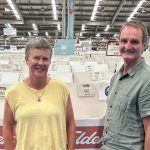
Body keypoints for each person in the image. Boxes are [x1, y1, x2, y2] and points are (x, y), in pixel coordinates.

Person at [3, 38, 76, 150]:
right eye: (36, 58)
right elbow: (7, 127)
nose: (41, 63)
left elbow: (70, 123)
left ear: (50, 61)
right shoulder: (13, 93)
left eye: (45, 59)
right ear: (27, 60)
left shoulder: (62, 89)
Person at [101, 20, 150, 150]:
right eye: (124, 41)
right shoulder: (116, 78)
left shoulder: (147, 80)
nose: (127, 46)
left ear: (144, 45)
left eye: (134, 42)